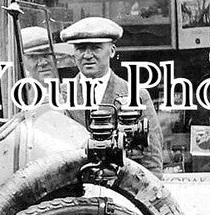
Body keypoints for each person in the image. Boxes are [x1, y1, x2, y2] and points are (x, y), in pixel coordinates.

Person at [60, 16, 164, 175]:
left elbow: (152, 158)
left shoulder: (136, 95)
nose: (87, 55)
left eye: (96, 48)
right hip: (73, 193)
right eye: (80, 48)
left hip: (121, 192)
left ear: (112, 51)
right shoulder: (60, 96)